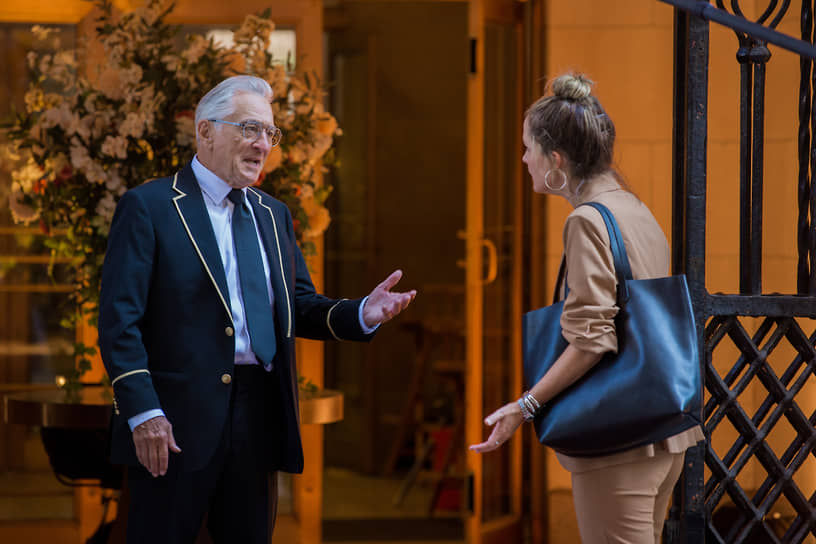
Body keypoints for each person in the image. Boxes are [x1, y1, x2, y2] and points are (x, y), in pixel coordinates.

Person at [98, 75, 416, 543]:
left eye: (270, 132)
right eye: (250, 128)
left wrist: (362, 312)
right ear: (205, 131)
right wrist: (144, 412)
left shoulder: (273, 214)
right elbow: (119, 322)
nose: (263, 143)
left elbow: (298, 305)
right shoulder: (150, 207)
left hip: (258, 416)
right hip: (174, 424)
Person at [469, 73, 703, 543]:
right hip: (664, 431)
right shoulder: (632, 207)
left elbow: (592, 339)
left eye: (528, 148)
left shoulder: (586, 221)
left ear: (555, 159)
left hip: (619, 443)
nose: (524, 159)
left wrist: (525, 406)